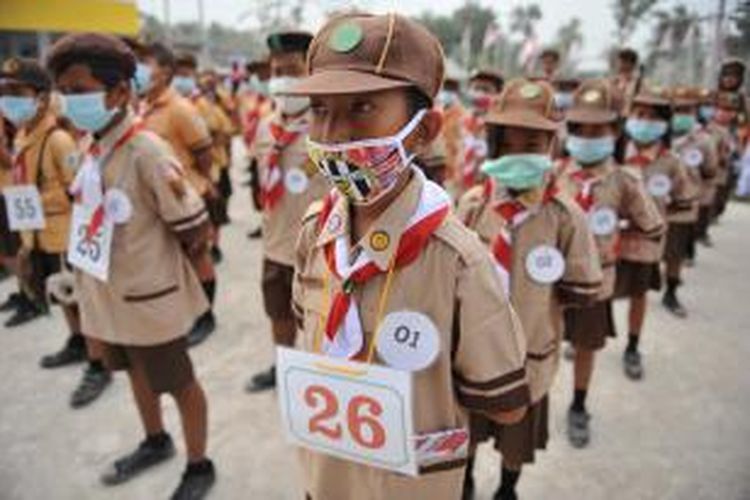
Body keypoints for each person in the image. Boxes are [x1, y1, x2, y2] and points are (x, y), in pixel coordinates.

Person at [284, 12, 530, 499]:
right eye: (319, 109)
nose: (332, 136)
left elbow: (505, 407)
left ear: (424, 130)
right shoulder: (315, 231)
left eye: (361, 108)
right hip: (325, 478)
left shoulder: (458, 262)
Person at [47, 32, 216, 499]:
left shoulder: (147, 151)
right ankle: (155, 440)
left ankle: (199, 463)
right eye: (64, 89)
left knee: (178, 381)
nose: (69, 100)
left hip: (149, 297)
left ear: (120, 91)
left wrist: (184, 288)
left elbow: (193, 227)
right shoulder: (92, 146)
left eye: (79, 89)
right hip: (107, 295)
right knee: (136, 374)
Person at [456, 78, 602, 500]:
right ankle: (463, 481)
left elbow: (582, 286)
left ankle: (507, 487)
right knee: (466, 423)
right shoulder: (473, 205)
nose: (523, 152)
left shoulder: (564, 215)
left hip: (530, 351)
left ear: (552, 148)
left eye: (535, 142)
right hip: (473, 351)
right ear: (496, 144)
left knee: (516, 435)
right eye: (512, 140)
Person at [557, 80, 663, 447]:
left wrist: (620, 229)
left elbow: (652, 225)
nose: (588, 137)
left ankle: (578, 404)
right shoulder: (554, 175)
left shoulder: (624, 180)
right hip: (550, 283)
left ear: (614, 131)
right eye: (580, 129)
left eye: (597, 130)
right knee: (537, 343)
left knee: (585, 347)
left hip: (595, 284)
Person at [245, 30, 330, 392]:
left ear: (312, 72)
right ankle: (284, 365)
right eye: (277, 70)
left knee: (321, 318)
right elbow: (258, 176)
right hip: (276, 243)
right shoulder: (266, 124)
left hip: (319, 249)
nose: (282, 78)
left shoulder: (328, 125)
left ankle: (320, 374)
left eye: (292, 70)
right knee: (278, 312)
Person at [139, 42, 217, 346]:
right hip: (159, 199)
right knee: (177, 259)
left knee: (198, 255)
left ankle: (207, 315)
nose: (139, 70)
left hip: (186, 194)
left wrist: (200, 181)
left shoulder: (180, 109)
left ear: (165, 72)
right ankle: (191, 310)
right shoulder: (143, 106)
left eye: (146, 64)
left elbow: (204, 151)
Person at [616, 86, 695, 377]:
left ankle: (633, 346)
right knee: (599, 292)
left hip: (644, 245)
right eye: (638, 114)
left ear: (664, 123)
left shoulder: (670, 162)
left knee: (638, 294)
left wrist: (655, 219)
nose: (643, 121)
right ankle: (584, 339)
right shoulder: (617, 152)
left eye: (652, 116)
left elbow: (684, 200)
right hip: (609, 240)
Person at [664, 86, 716, 313]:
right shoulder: (660, 137)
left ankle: (671, 293)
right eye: (677, 109)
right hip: (653, 207)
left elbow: (709, 171)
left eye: (686, 110)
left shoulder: (704, 141)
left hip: (682, 207)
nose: (681, 114)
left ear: (695, 111)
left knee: (675, 254)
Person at [459, 69, 504, 193]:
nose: (479, 94)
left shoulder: (500, 126)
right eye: (476, 89)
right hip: (459, 187)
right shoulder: (460, 120)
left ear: (498, 95)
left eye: (486, 90)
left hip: (487, 188)